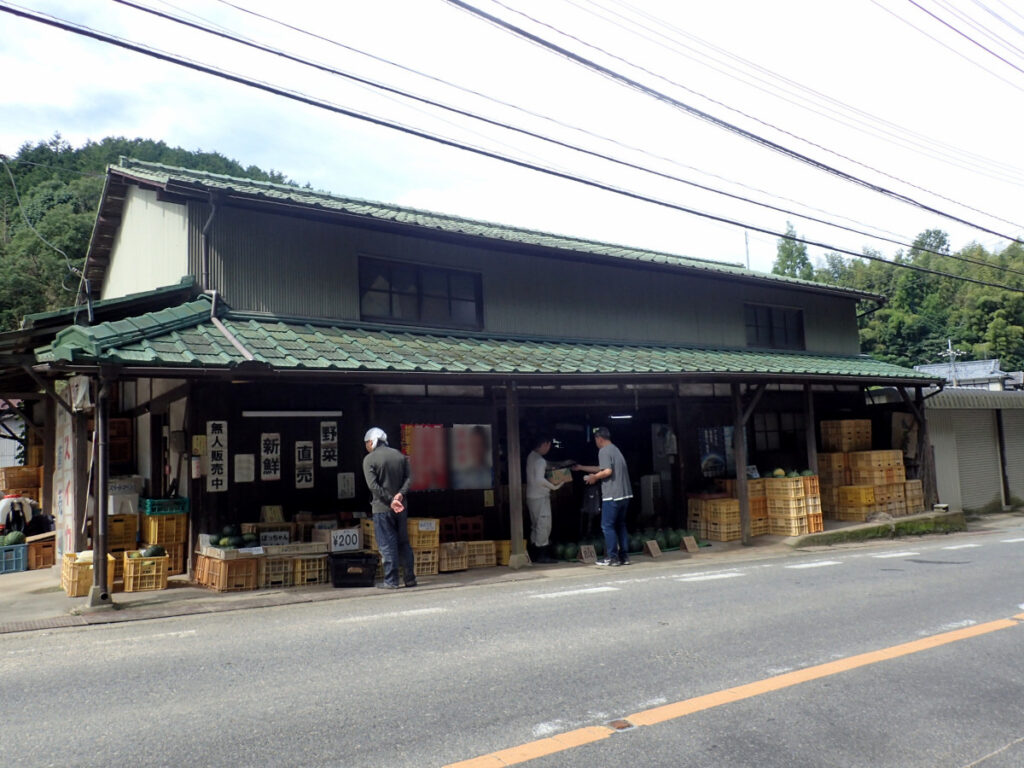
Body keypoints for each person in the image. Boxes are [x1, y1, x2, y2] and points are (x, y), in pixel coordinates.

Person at [362, 427, 416, 589]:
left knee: (387, 544)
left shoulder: (369, 459)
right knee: (404, 543)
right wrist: (400, 495)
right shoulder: (400, 456)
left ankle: (391, 581)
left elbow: (373, 486)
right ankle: (410, 578)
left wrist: (390, 500)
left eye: (367, 443)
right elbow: (410, 478)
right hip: (401, 507)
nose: (366, 446)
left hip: (382, 508)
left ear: (372, 442)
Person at [574, 427, 633, 566]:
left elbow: (607, 471)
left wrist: (594, 477)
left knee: (607, 526)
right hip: (625, 495)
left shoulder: (603, 451)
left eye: (595, 439)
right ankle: (624, 557)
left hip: (612, 495)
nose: (595, 442)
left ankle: (612, 557)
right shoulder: (614, 449)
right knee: (621, 525)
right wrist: (581, 467)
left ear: (599, 439)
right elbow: (602, 467)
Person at [525, 436, 565, 564]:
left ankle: (533, 553)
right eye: (549, 445)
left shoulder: (531, 457)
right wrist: (554, 486)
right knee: (544, 525)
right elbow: (539, 479)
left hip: (531, 496)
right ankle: (542, 554)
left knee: (535, 525)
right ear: (545, 444)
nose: (549, 448)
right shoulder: (540, 460)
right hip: (540, 496)